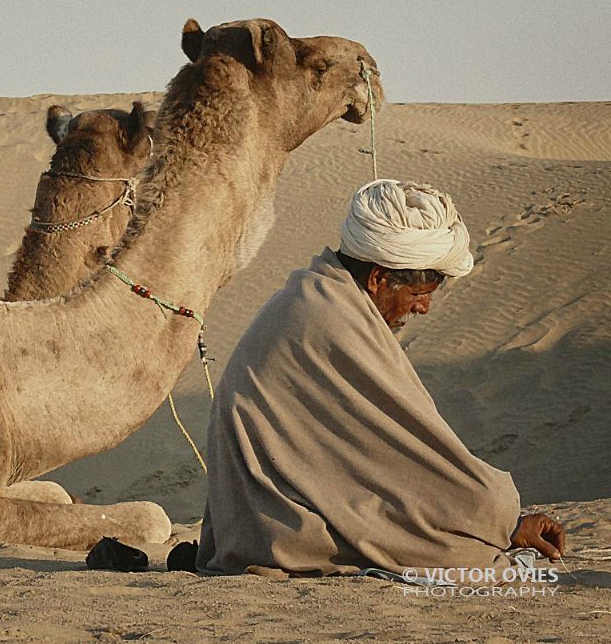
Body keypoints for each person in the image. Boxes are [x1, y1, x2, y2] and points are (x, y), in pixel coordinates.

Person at [193, 179, 565, 577]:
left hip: (257, 525)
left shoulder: (320, 295)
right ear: (377, 279)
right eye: (419, 293)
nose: (423, 308)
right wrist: (501, 518)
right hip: (279, 529)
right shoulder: (329, 319)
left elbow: (384, 455)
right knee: (479, 519)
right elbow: (408, 452)